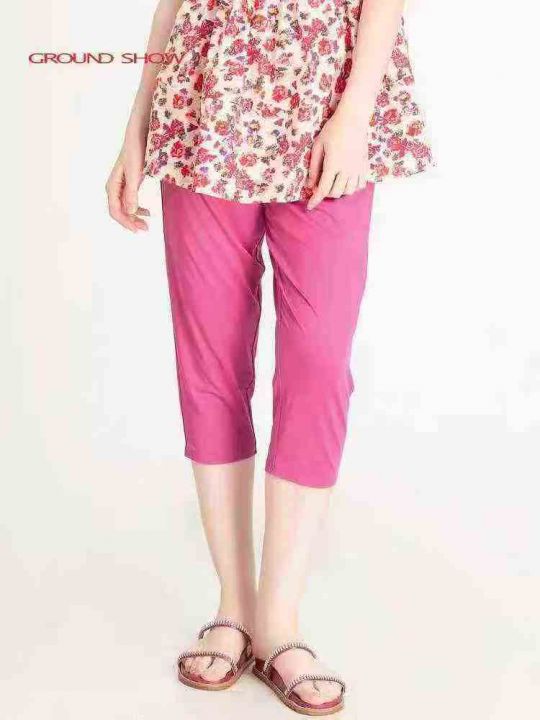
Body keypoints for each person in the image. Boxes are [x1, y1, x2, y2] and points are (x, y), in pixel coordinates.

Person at [106, 0, 432, 713]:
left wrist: (354, 114)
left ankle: (279, 623)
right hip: (202, 104)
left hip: (326, 99)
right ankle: (236, 608)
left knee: (319, 365)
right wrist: (135, 127)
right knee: (210, 364)